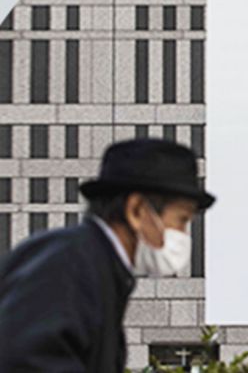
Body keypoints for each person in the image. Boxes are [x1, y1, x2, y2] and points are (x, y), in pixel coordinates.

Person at [0, 139, 215, 372]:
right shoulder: (71, 264)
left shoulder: (92, 263)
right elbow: (27, 360)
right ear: (136, 210)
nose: (183, 234)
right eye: (182, 219)